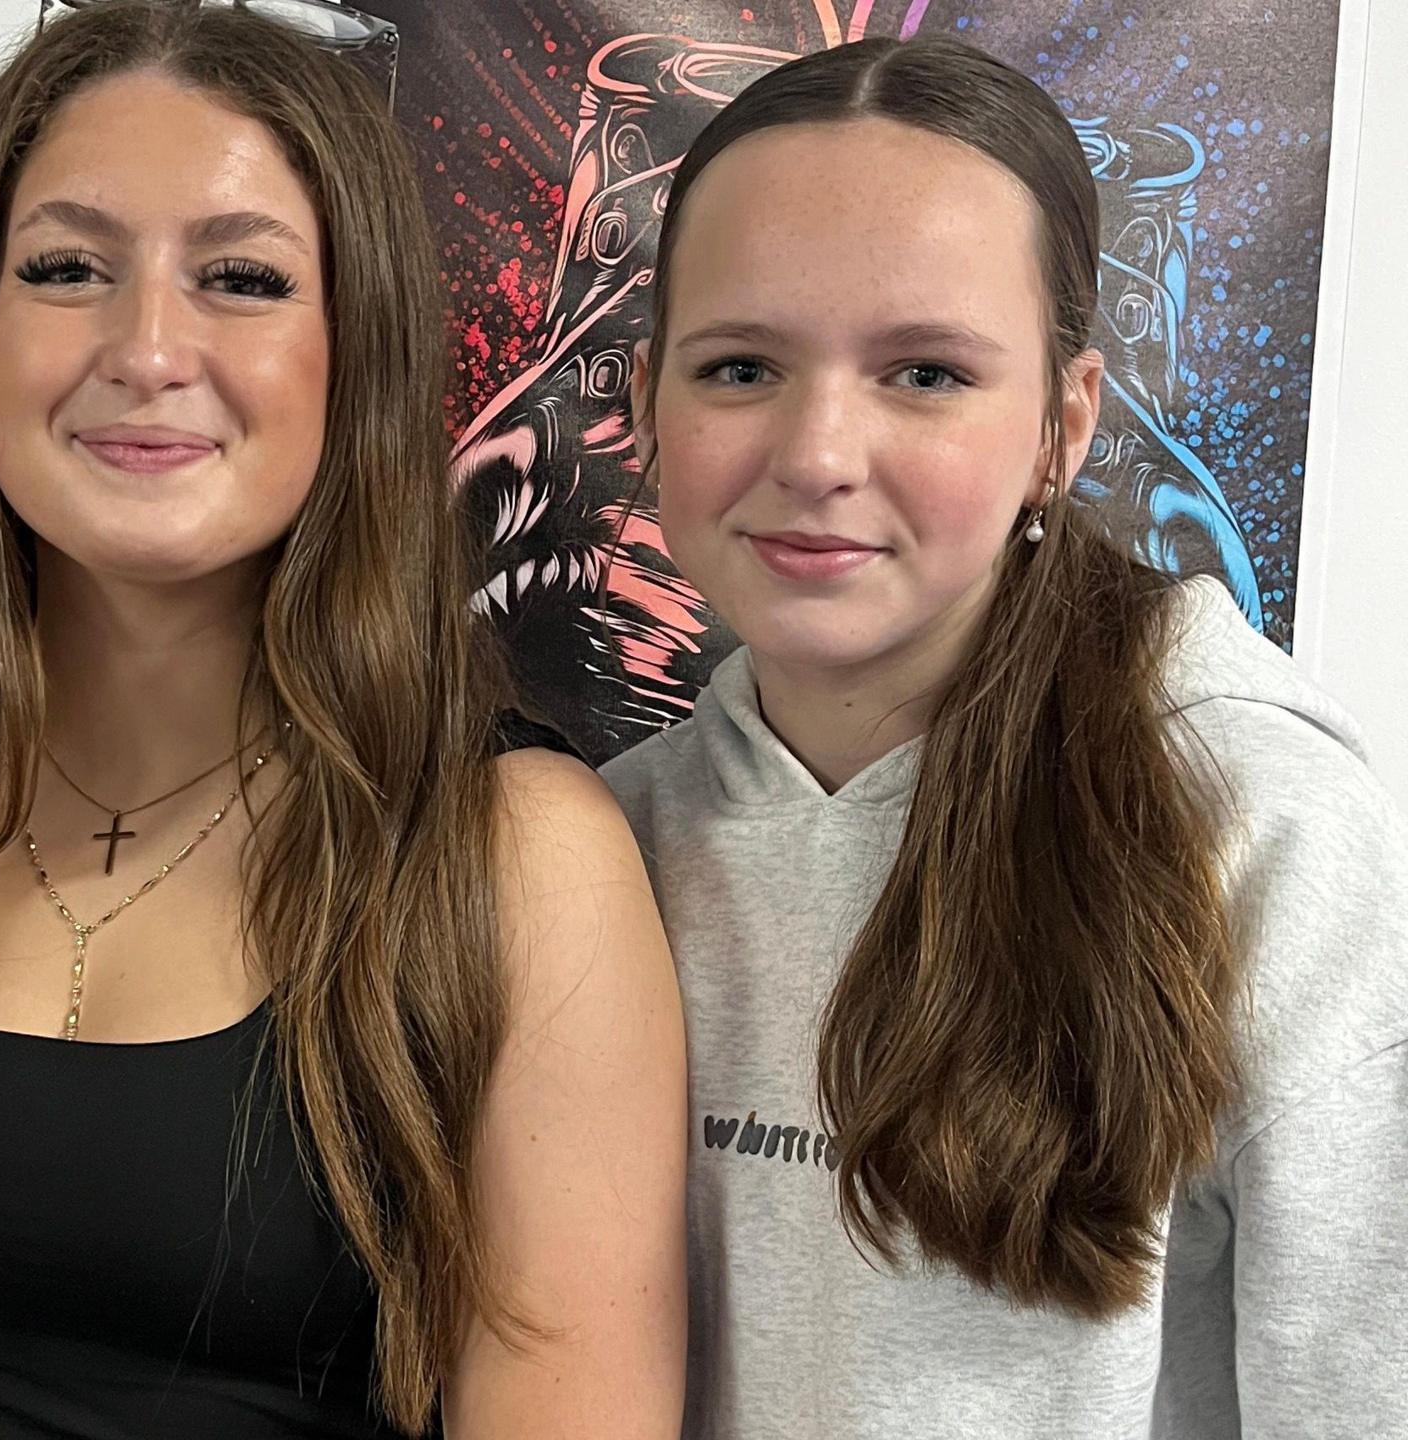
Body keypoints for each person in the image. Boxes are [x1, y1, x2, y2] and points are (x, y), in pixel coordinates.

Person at [0, 3, 686, 1437]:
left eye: (240, 277)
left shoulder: (516, 857)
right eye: (64, 268)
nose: (148, 347)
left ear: (356, 351)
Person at [600, 35, 1408, 1439]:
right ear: (646, 404)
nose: (819, 454)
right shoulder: (606, 845)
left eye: (924, 374)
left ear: (1064, 423)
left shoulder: (1262, 829)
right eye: (739, 367)